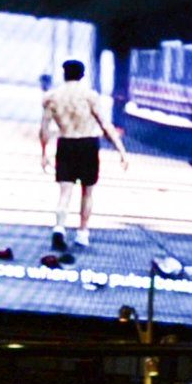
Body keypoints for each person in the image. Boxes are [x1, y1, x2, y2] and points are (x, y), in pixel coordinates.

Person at [39, 58, 128, 252]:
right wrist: (121, 150)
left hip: (66, 143)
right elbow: (105, 124)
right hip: (88, 144)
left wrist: (44, 152)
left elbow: (44, 127)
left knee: (65, 192)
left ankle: (59, 228)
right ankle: (82, 234)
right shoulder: (90, 96)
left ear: (64, 74)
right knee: (87, 192)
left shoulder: (52, 97)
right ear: (82, 74)